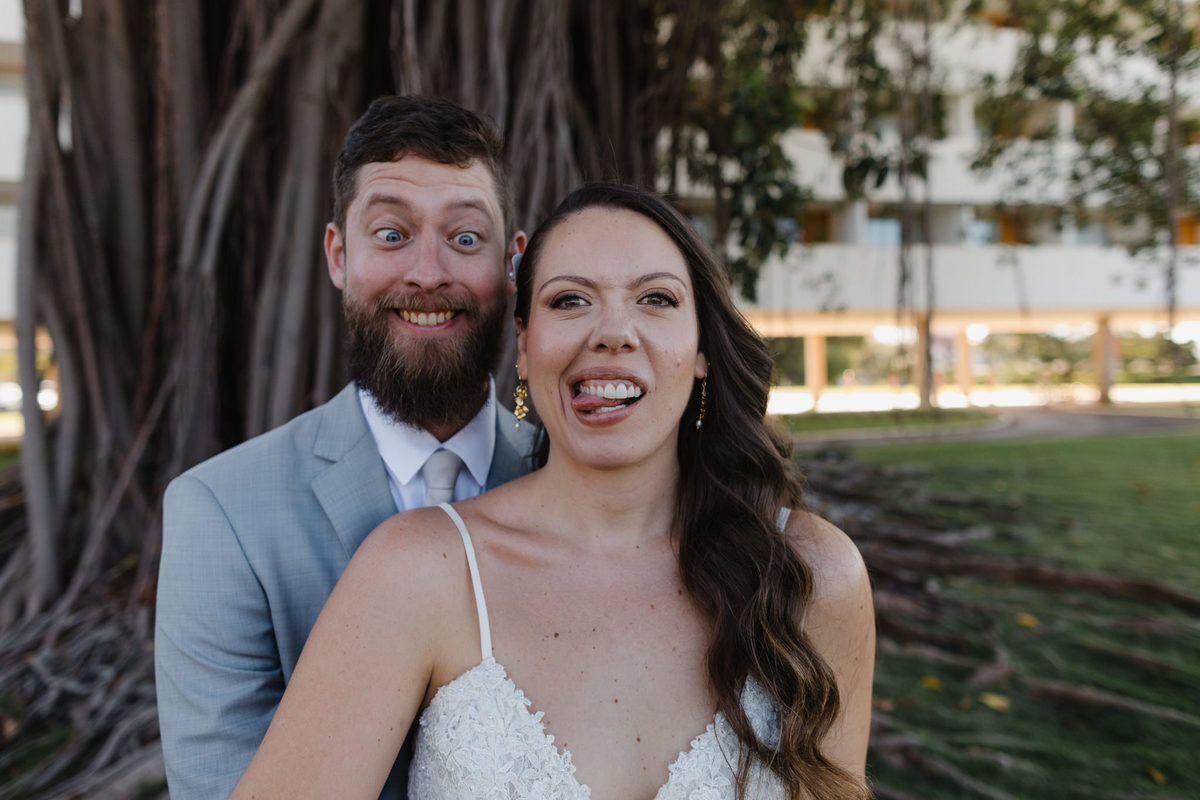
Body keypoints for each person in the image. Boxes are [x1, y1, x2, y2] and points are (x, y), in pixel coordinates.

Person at [231, 183, 875, 800]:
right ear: (524, 344)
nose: (613, 332)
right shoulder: (420, 572)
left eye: (656, 299)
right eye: (570, 301)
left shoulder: (812, 575)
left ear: (703, 348)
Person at [154, 95, 535, 800]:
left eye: (465, 237)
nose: (427, 273)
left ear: (513, 263)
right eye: (391, 235)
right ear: (338, 255)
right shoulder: (222, 515)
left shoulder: (566, 476)